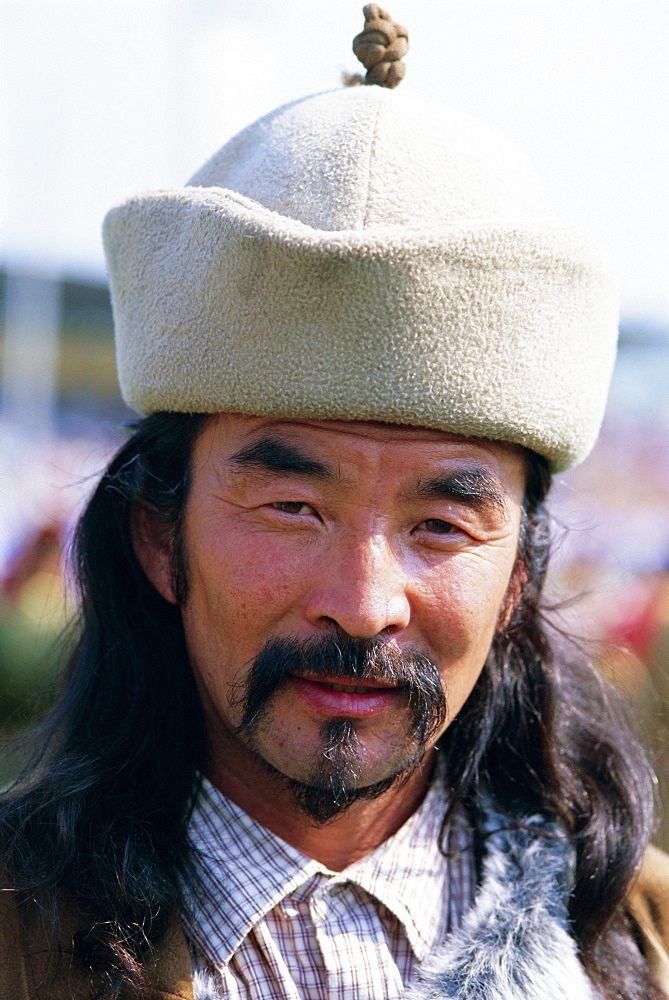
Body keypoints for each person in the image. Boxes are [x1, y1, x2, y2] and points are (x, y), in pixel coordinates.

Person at [1, 6, 668, 999]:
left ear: (520, 575)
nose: (363, 604)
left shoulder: (642, 945)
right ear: (157, 536)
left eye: (440, 524)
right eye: (291, 507)